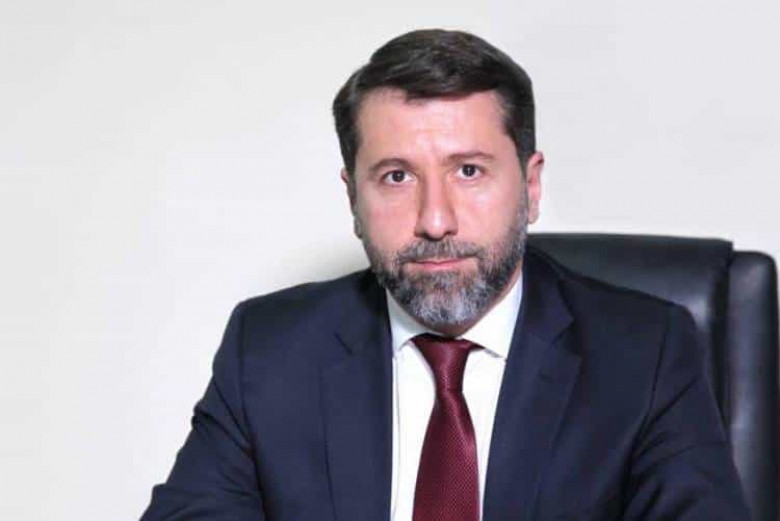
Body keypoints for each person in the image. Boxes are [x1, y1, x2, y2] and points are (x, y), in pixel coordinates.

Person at [141, 29, 750, 520]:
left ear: (531, 186)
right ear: (353, 198)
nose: (435, 221)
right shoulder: (269, 349)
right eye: (396, 177)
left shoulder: (645, 353)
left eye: (469, 171)